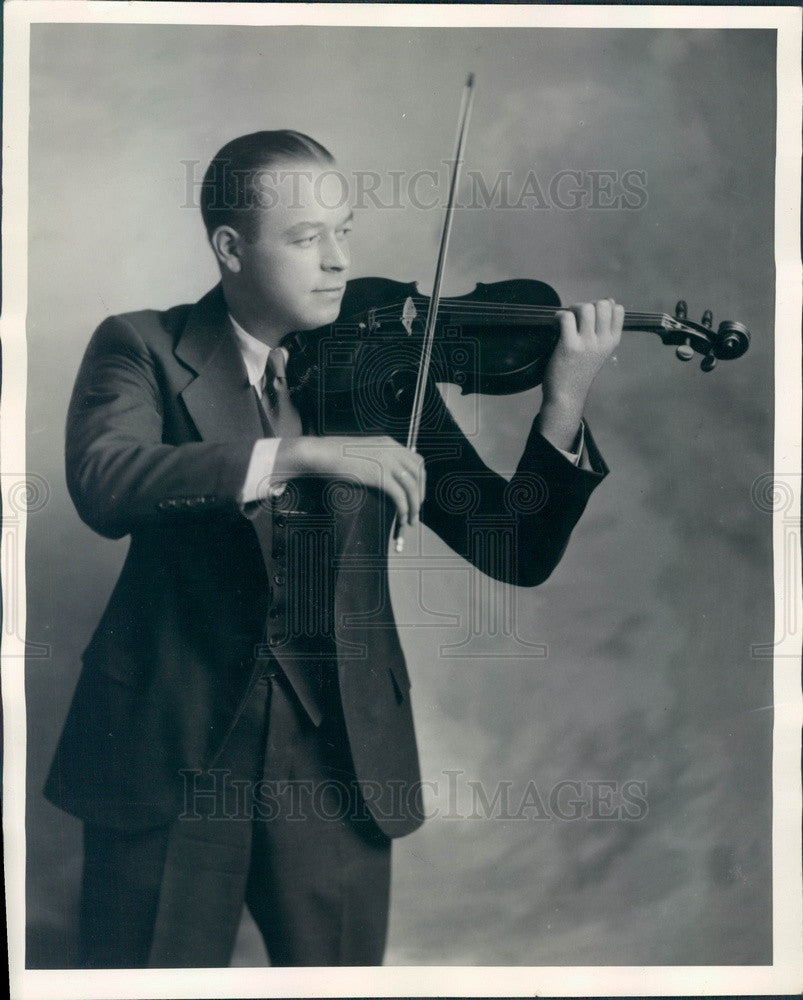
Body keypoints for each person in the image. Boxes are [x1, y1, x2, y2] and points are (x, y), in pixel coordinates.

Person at [44, 130, 622, 968]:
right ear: (230, 249)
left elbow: (515, 548)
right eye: (305, 239)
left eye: (343, 232)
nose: (337, 262)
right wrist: (298, 453)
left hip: (340, 763)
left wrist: (562, 401)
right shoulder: (141, 347)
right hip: (168, 754)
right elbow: (105, 479)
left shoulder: (379, 369)